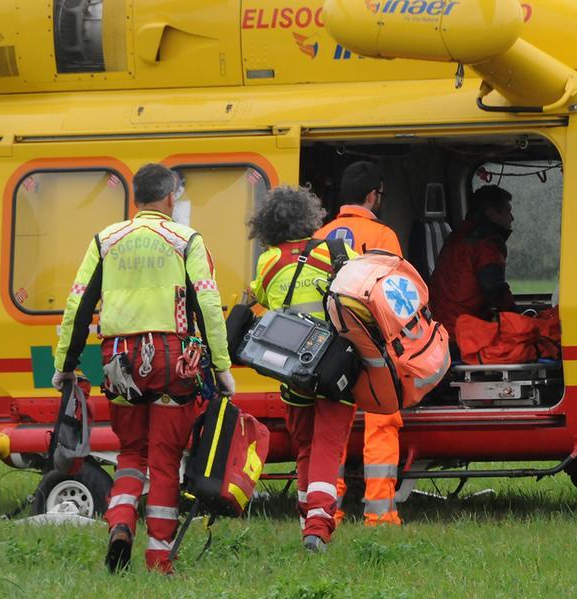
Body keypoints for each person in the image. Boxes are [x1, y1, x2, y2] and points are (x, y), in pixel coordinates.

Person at [52, 163, 235, 574]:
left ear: (135, 198)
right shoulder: (186, 239)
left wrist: (65, 366)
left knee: (131, 452)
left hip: (118, 361)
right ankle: (158, 558)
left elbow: (78, 306)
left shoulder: (105, 239)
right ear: (170, 197)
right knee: (166, 459)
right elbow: (206, 305)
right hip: (172, 362)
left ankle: (120, 524)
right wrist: (222, 368)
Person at [249, 185, 358, 552]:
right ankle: (317, 525)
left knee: (305, 449)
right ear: (310, 217)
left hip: (292, 371)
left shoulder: (268, 262)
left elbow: (262, 297)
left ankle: (305, 523)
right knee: (329, 445)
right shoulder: (339, 252)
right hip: (334, 367)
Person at [314, 161, 404, 528]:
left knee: (331, 426)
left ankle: (328, 508)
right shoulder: (384, 237)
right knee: (381, 421)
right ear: (372, 195)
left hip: (330, 347)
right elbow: (397, 296)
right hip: (373, 345)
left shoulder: (319, 236)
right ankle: (379, 514)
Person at [429, 184, 517, 339]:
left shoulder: (459, 236)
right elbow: (496, 288)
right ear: (491, 213)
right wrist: (519, 317)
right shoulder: (486, 244)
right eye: (507, 211)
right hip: (462, 331)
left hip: (443, 325)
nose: (512, 218)